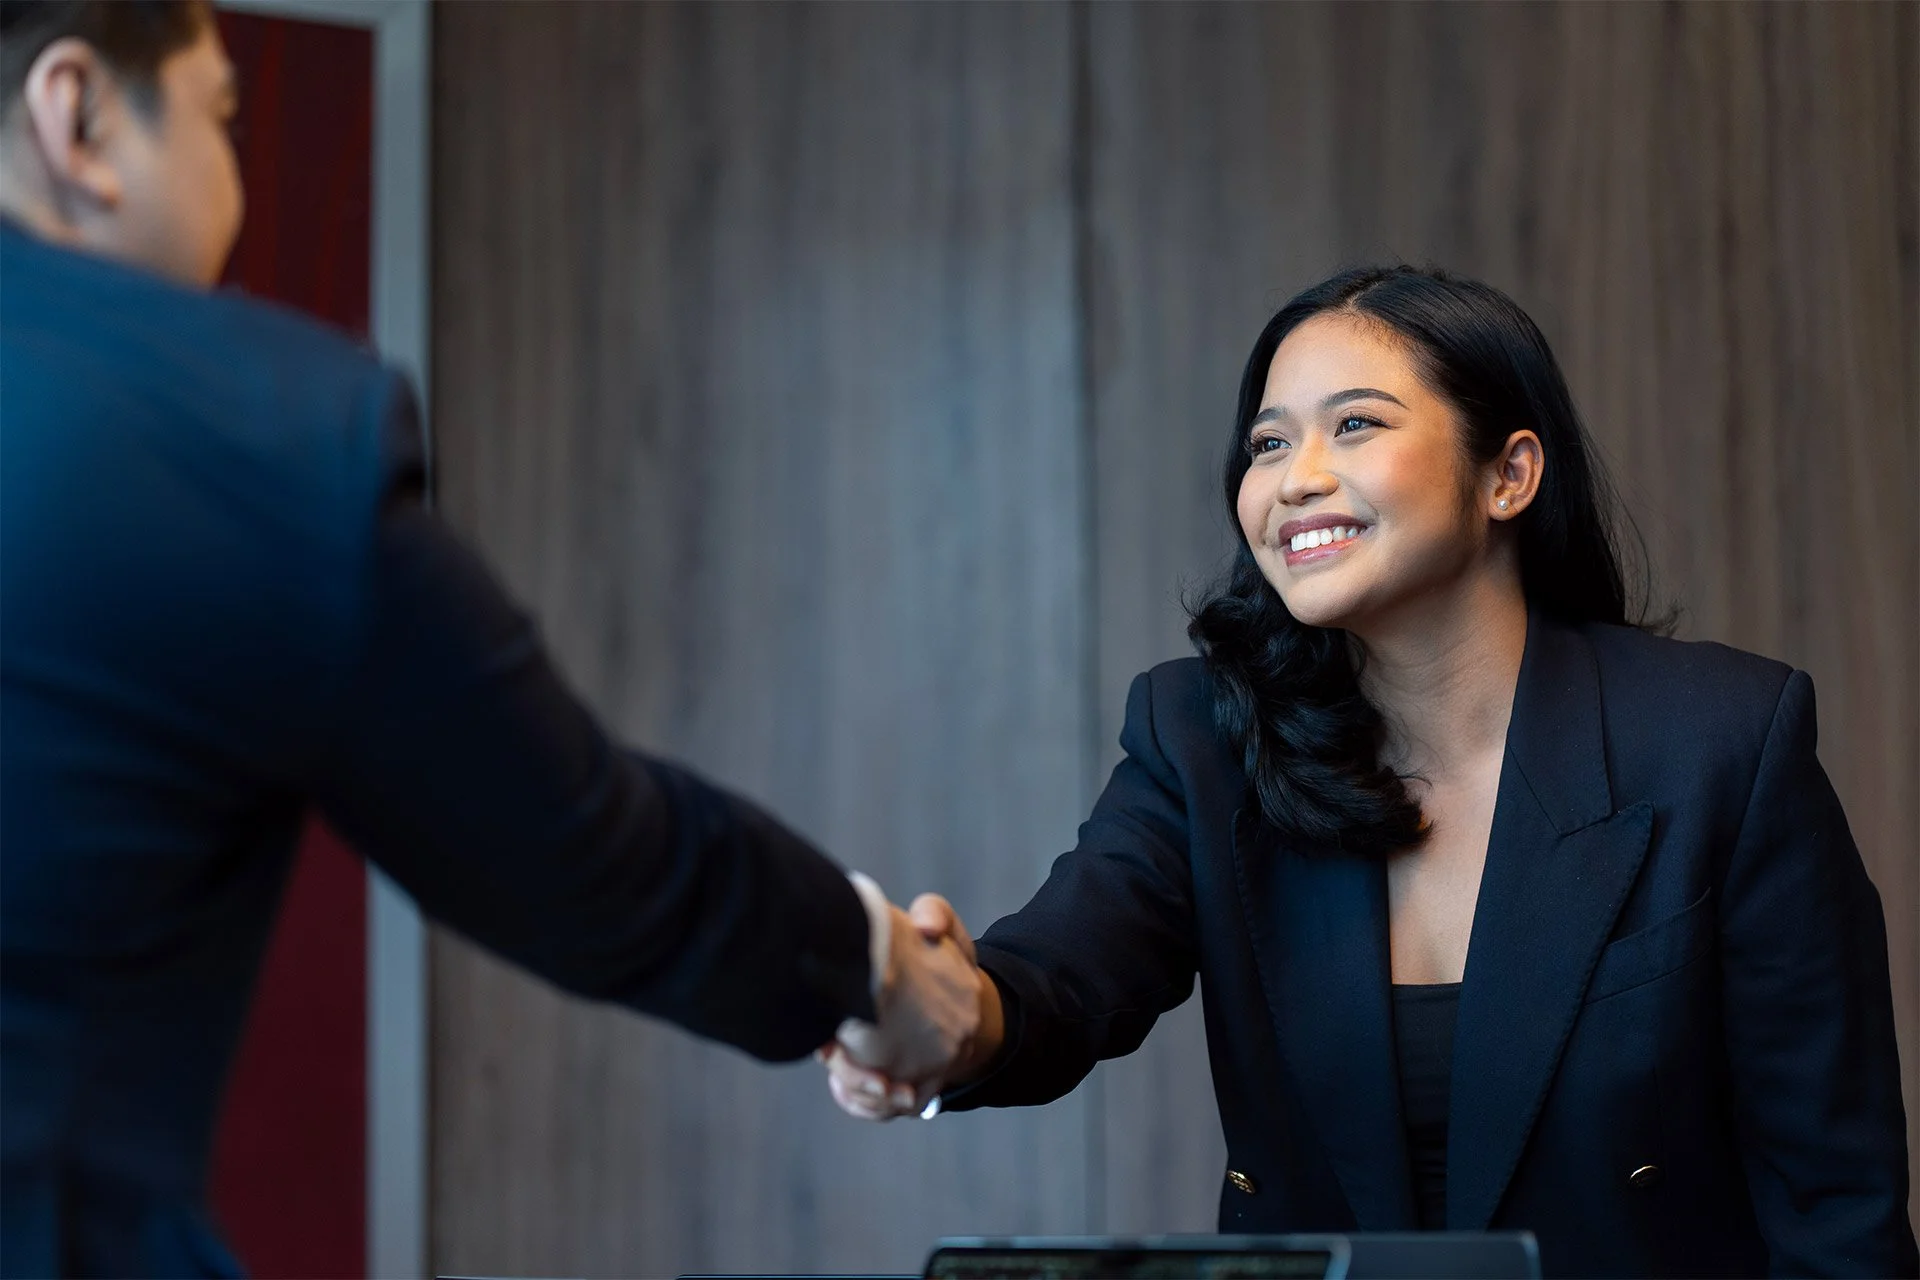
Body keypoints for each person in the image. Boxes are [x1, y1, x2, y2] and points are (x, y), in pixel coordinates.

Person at [0, 3, 980, 1275]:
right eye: (217, 118)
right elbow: (593, 860)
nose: (230, 179)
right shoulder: (248, 434)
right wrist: (883, 968)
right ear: (77, 115)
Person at [824, 266, 1918, 1277]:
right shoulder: (1200, 735)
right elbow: (1060, 979)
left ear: (1510, 473)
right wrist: (944, 1012)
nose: (1293, 481)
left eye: (1354, 425)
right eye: (1265, 444)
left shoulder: (1719, 735)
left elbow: (1835, 1201)